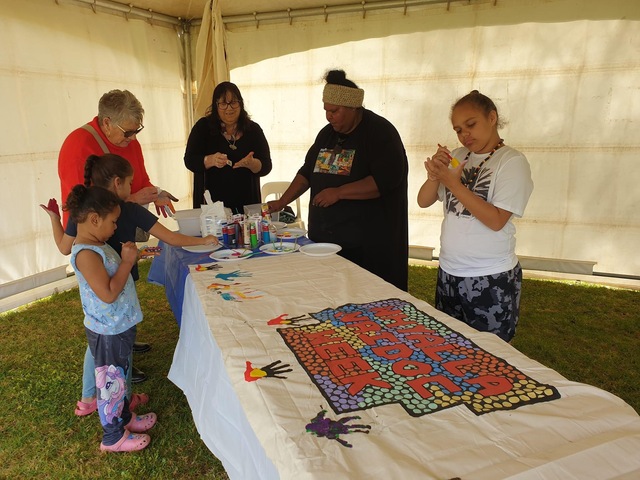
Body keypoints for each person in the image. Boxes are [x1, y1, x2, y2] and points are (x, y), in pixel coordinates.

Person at [41, 153, 218, 417]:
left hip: (107, 298)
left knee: (106, 345)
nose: (132, 188)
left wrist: (55, 219)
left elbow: (63, 247)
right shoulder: (123, 210)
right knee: (110, 347)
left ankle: (99, 397)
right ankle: (105, 401)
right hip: (112, 292)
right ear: (117, 183)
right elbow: (171, 237)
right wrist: (203, 241)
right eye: (130, 182)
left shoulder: (84, 208)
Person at [58, 89, 175, 373]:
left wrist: (154, 192)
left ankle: (126, 340)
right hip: (97, 237)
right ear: (107, 122)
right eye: (128, 132)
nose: (132, 138)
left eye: (137, 131)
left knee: (126, 280)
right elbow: (86, 206)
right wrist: (132, 201)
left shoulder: (126, 137)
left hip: (118, 227)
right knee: (107, 299)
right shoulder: (79, 143)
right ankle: (112, 361)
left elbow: (140, 177)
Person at [267, 70, 409, 290]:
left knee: (366, 299)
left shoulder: (380, 133)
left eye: (334, 111)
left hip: (368, 247)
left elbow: (386, 181)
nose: (329, 116)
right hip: (326, 242)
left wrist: (339, 192)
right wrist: (281, 202)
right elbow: (307, 173)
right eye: (326, 110)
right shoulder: (327, 134)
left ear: (353, 107)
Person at [417, 90, 534, 342]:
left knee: (490, 354)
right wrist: (435, 175)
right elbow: (423, 201)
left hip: (490, 275)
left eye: (471, 125)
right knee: (450, 346)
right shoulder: (459, 157)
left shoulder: (512, 162)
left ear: (492, 118)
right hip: (449, 271)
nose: (464, 135)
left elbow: (496, 220)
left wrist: (454, 184)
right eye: (458, 129)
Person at [64, 185, 157, 452]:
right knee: (111, 382)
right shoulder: (85, 254)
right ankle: (113, 436)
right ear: (94, 219)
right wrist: (127, 262)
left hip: (119, 326)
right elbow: (107, 294)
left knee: (121, 374)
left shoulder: (98, 245)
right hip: (108, 330)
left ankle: (125, 417)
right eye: (113, 221)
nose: (116, 227)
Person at [184, 81, 272, 213]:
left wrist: (253, 163)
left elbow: (266, 166)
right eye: (223, 104)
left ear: (240, 103)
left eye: (233, 102)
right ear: (216, 105)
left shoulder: (253, 129)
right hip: (211, 206)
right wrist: (211, 160)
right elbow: (190, 160)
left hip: (247, 204)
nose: (229, 108)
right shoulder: (203, 127)